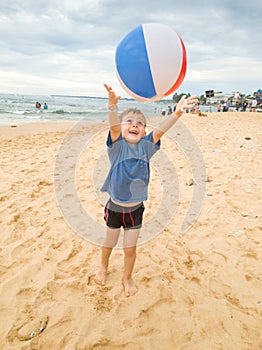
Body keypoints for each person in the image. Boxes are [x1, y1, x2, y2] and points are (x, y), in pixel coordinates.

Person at [94, 83, 198, 297]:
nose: (135, 125)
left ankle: (127, 277)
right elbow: (113, 128)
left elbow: (160, 130)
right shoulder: (117, 147)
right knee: (109, 243)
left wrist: (177, 113)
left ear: (143, 131)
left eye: (140, 124)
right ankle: (103, 267)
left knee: (130, 249)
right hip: (114, 208)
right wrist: (112, 107)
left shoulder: (146, 147)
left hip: (135, 210)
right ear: (122, 129)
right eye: (129, 122)